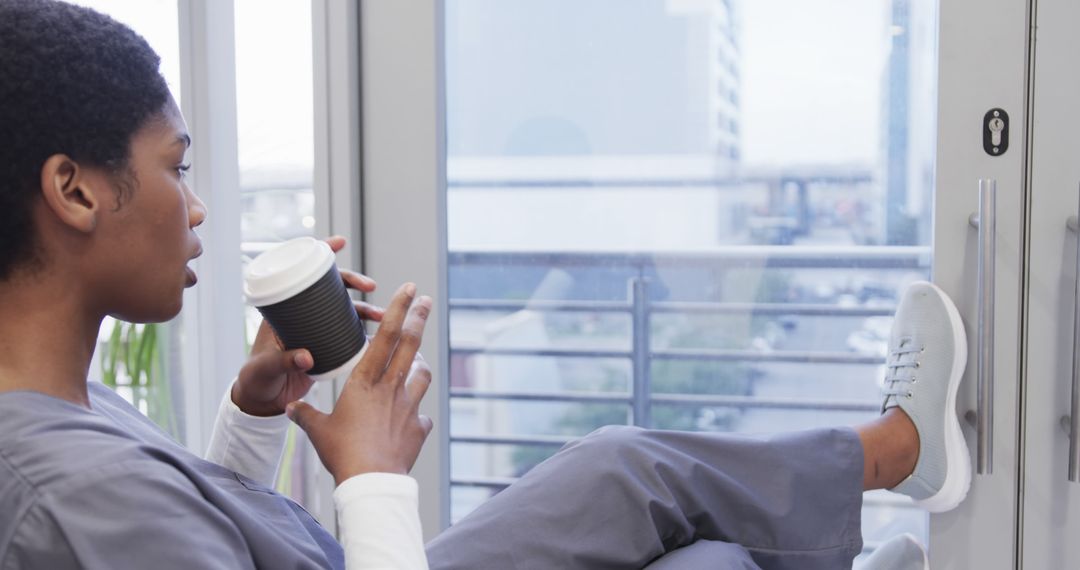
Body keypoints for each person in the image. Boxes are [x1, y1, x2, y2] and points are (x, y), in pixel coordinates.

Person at [0, 1, 969, 569]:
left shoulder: (63, 415)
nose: (198, 207)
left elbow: (213, 536)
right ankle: (901, 451)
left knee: (674, 519)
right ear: (75, 190)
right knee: (638, 486)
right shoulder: (69, 490)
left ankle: (886, 466)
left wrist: (255, 420)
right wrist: (373, 477)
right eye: (178, 168)